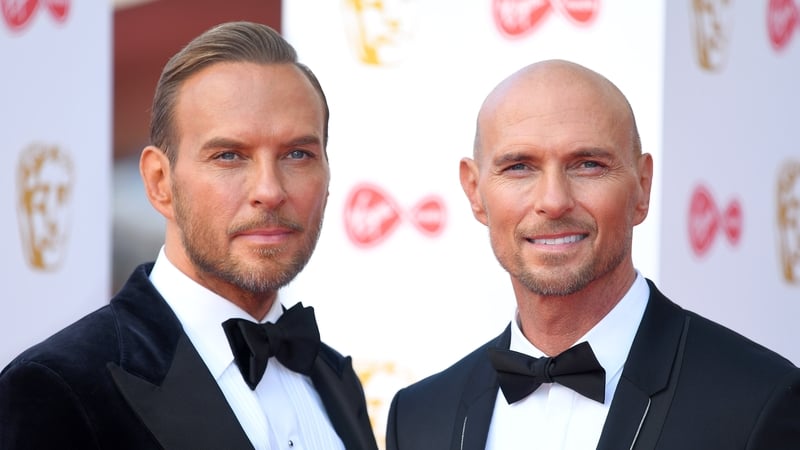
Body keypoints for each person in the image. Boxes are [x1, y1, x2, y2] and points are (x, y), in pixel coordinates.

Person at [0, 21, 379, 450]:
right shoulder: (59, 388)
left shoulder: (337, 380)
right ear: (160, 182)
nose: (270, 191)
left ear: (327, 175)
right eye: (229, 156)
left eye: (297, 154)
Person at [385, 59, 800, 449]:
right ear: (475, 192)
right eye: (519, 167)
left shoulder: (757, 401)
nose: (553, 201)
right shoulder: (420, 417)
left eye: (587, 165)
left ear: (642, 187)